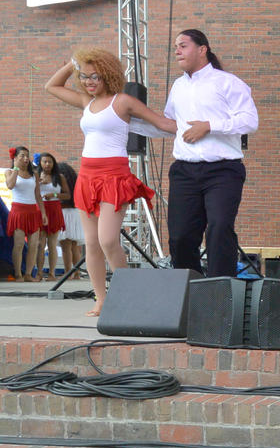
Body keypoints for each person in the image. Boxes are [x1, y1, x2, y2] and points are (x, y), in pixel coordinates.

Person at [45, 48, 177, 315]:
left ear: (108, 75)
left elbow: (162, 123)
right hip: (87, 176)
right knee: (91, 243)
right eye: (84, 77)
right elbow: (52, 86)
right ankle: (102, 299)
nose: (89, 82)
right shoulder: (86, 102)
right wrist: (73, 63)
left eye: (95, 77)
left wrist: (203, 127)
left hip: (114, 176)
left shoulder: (123, 101)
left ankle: (129, 295)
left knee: (108, 240)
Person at [164, 29, 259, 278]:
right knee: (180, 234)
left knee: (218, 228)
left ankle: (220, 290)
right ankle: (189, 289)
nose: (177, 51)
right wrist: (129, 118)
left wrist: (209, 126)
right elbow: (172, 123)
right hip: (184, 170)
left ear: (202, 49)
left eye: (183, 45)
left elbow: (250, 120)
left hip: (223, 170)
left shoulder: (228, 82)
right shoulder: (178, 86)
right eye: (176, 46)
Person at [5, 146, 46, 282]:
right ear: (15, 158)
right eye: (22, 155)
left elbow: (38, 195)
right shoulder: (10, 172)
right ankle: (18, 274)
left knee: (34, 244)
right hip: (18, 211)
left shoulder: (34, 174)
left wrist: (43, 213)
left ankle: (28, 274)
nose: (25, 158)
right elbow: (10, 186)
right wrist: (16, 168)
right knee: (19, 244)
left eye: (27, 155)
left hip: (33, 211)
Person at [34, 152, 69, 281]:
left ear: (53, 163)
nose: (47, 164)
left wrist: (54, 195)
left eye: (50, 161)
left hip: (54, 210)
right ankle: (39, 273)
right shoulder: (35, 176)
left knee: (52, 243)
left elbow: (67, 195)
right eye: (45, 161)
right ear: (40, 163)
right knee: (40, 244)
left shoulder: (59, 177)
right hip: (40, 210)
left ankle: (52, 273)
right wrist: (37, 183)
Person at [55, 161, 84, 280]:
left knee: (65, 246)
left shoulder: (60, 182)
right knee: (74, 246)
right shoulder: (74, 182)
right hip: (75, 213)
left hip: (64, 213)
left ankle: (68, 273)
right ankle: (76, 273)